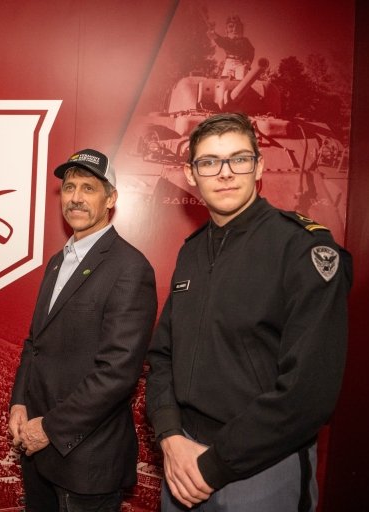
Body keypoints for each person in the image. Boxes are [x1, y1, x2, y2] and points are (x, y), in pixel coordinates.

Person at [146, 113, 352, 511]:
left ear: (258, 166)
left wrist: (216, 464)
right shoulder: (191, 251)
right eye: (209, 162)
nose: (224, 173)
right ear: (191, 174)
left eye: (238, 159)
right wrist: (170, 436)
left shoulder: (302, 250)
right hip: (181, 460)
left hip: (261, 468)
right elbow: (161, 357)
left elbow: (308, 393)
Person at [8, 148, 158, 511]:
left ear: (111, 199)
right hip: (38, 452)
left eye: (88, 188)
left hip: (86, 458)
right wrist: (19, 401)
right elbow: (35, 343)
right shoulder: (58, 262)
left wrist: (50, 428)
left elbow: (117, 373)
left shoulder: (129, 268)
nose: (75, 197)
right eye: (69, 187)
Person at [208, 15, 255, 80]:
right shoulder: (226, 40)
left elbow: (251, 51)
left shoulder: (245, 41)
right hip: (228, 63)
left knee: (241, 80)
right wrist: (215, 35)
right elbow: (223, 43)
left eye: (237, 27)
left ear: (241, 28)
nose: (234, 29)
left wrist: (248, 62)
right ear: (226, 29)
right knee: (224, 81)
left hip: (240, 64)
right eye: (231, 26)